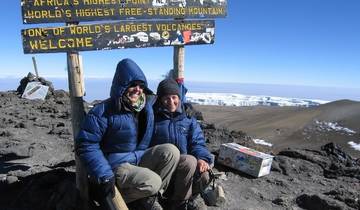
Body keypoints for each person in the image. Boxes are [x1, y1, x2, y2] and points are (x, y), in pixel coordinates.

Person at [75, 59, 180, 210]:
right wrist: (104, 174)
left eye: (141, 86)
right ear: (121, 85)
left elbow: (169, 100)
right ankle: (108, 202)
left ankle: (148, 198)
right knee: (153, 181)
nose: (137, 89)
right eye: (132, 85)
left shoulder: (145, 105)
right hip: (116, 165)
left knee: (171, 151)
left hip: (139, 157)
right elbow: (86, 144)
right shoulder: (103, 111)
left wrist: (184, 107)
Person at [151, 78, 213, 210]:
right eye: (166, 98)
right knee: (189, 161)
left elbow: (197, 142)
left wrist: (202, 159)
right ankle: (167, 200)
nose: (171, 102)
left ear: (179, 97)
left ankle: (181, 202)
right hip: (162, 167)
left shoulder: (188, 118)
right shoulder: (152, 117)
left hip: (184, 169)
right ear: (160, 99)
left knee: (205, 174)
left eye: (174, 97)